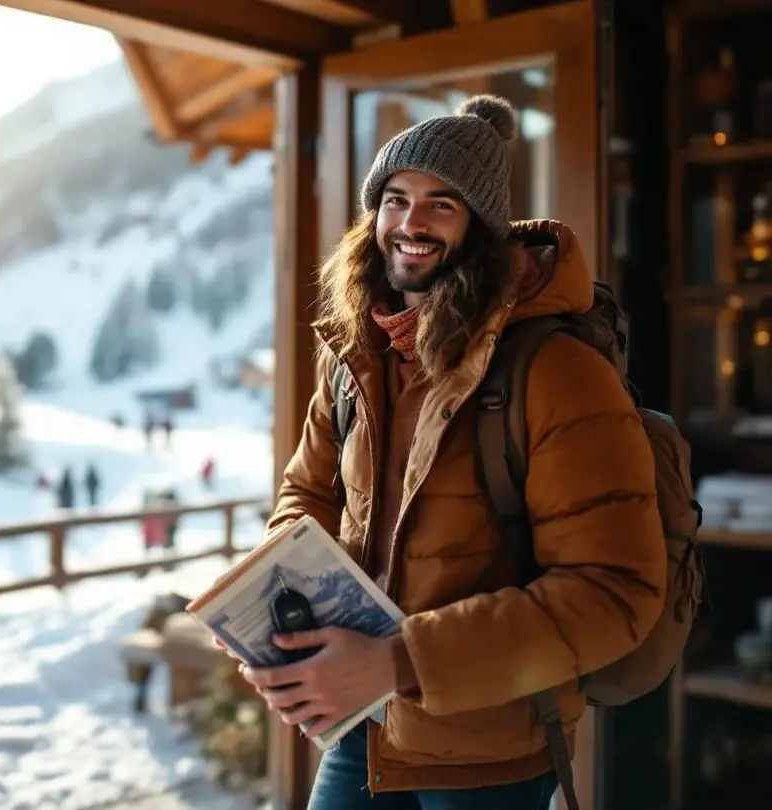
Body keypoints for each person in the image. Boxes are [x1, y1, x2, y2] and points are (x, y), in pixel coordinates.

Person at [235, 95, 667, 809]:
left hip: (490, 757)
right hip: (364, 728)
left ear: (481, 228)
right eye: (397, 199)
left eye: (442, 204)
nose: (410, 223)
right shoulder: (357, 352)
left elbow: (613, 588)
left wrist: (398, 659)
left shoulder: (554, 370)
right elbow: (306, 493)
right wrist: (275, 599)